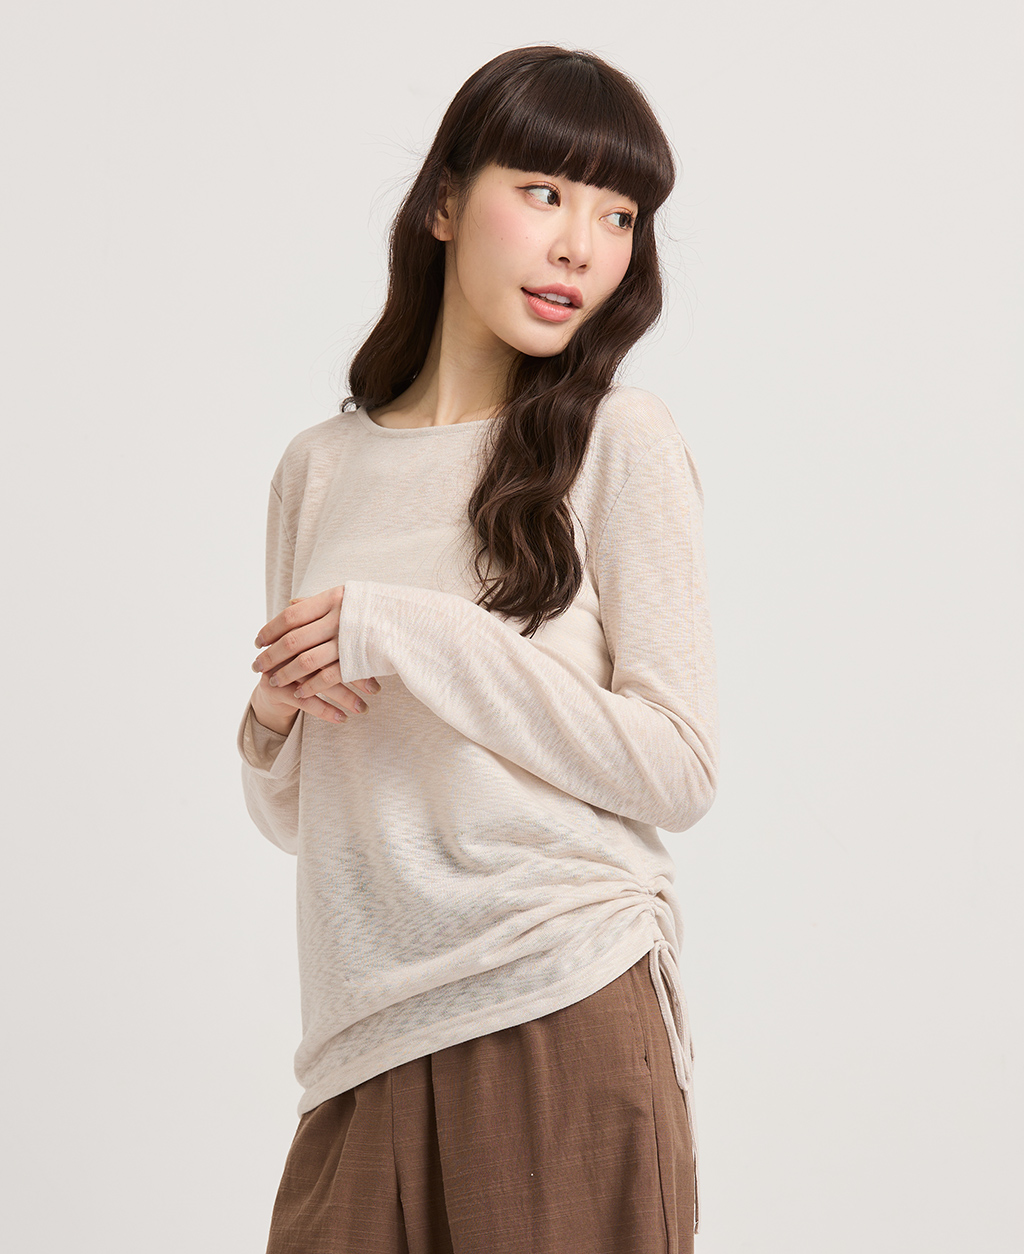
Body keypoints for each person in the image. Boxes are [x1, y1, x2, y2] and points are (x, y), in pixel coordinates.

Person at [237, 43, 719, 1254]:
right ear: (445, 203)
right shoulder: (317, 469)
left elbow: (679, 769)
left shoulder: (618, 440)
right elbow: (301, 815)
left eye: (618, 215)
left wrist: (425, 634)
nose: (581, 248)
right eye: (544, 192)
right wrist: (271, 720)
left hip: (557, 998)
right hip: (358, 1040)